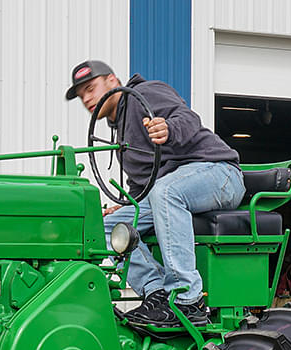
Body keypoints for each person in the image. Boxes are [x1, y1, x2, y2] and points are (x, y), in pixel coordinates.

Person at [67, 60, 245, 327]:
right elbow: (143, 184)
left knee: (167, 191)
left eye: (91, 88)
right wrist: (128, 205)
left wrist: (168, 129)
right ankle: (157, 292)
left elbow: (188, 119)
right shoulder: (119, 133)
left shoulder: (146, 94)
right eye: (81, 95)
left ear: (113, 81)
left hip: (218, 174)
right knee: (105, 227)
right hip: (169, 190)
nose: (87, 98)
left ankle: (187, 299)